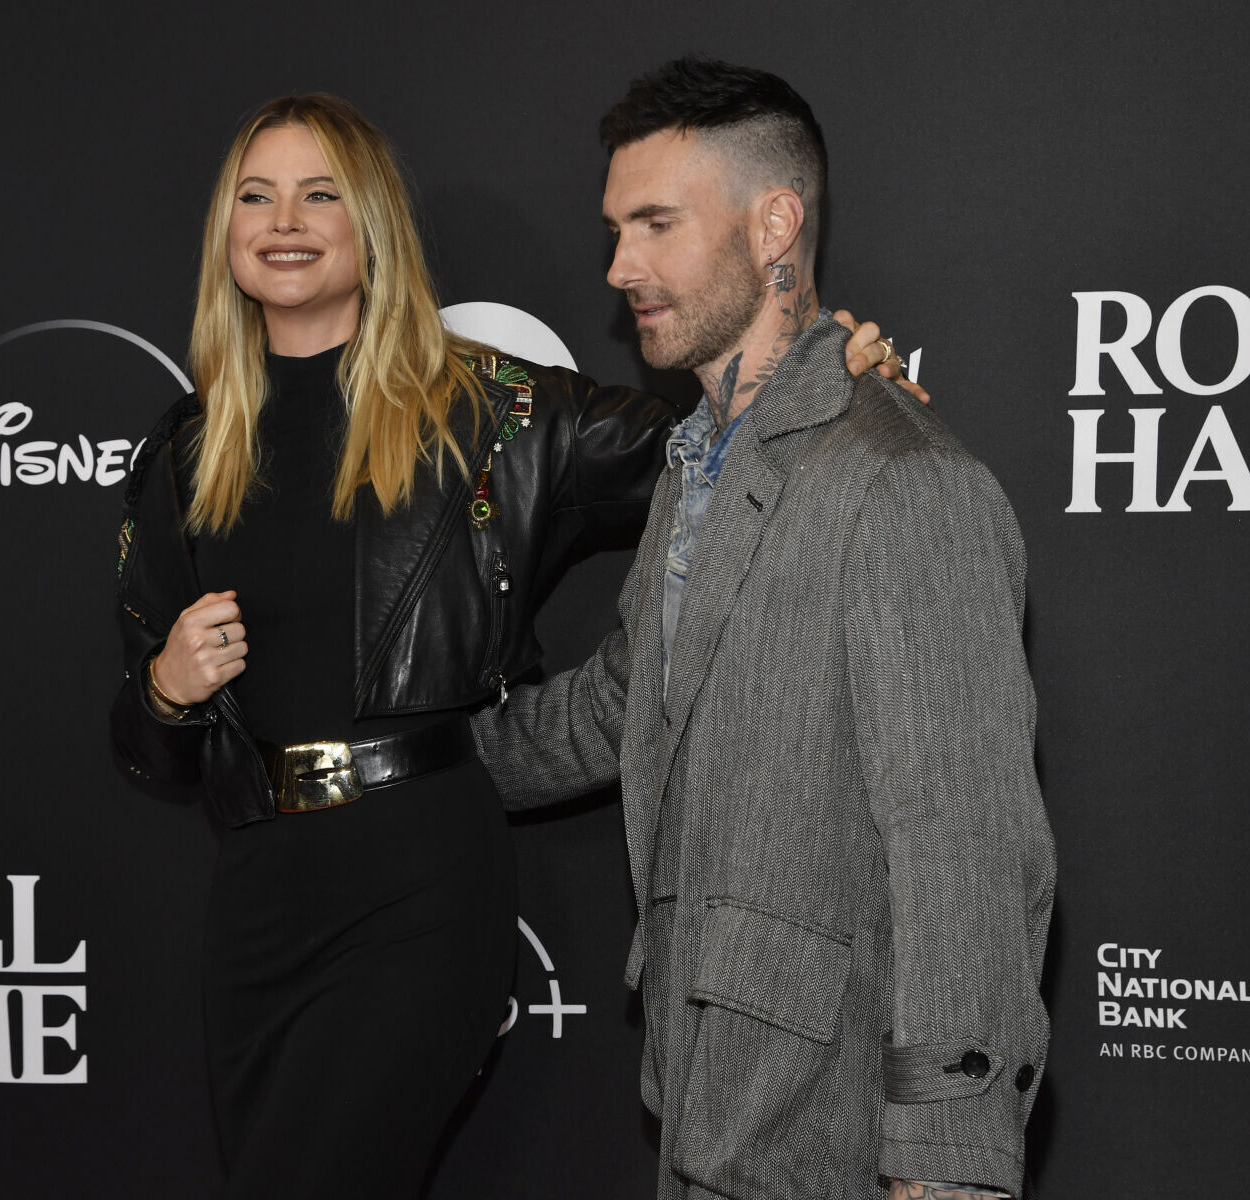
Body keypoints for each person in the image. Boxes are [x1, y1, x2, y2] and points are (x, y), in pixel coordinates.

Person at [108, 92, 915, 1198]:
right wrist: (166, 688)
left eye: (318, 194)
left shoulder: (492, 412)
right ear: (226, 229)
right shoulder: (187, 449)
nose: (283, 222)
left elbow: (712, 448)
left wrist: (825, 376)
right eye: (256, 197)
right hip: (256, 897)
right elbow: (146, 749)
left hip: (413, 886)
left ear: (370, 224)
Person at [472, 58, 1054, 1200]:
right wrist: (412, 763)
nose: (619, 266)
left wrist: (944, 1161)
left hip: (835, 1126)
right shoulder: (696, 465)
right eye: (615, 229)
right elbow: (624, 702)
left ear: (773, 225)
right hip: (708, 1101)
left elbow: (965, 848)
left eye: (655, 224)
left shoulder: (902, 482)